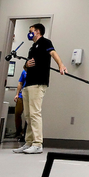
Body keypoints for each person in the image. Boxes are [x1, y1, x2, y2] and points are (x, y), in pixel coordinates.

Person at [13, 23, 66, 154]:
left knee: (35, 113)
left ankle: (37, 144)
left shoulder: (45, 42)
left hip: (38, 82)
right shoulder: (32, 48)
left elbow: (53, 53)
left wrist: (61, 65)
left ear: (37, 32)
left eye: (31, 31)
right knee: (28, 115)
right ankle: (29, 142)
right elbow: (26, 67)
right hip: (28, 83)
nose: (29, 33)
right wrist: (26, 64)